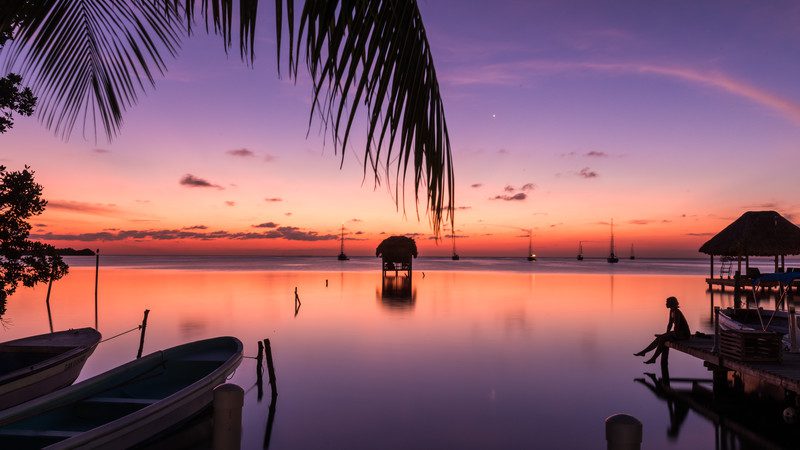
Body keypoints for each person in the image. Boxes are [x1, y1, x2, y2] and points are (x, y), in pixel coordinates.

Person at [634, 296, 690, 364]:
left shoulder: (677, 312)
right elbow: (670, 324)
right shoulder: (672, 311)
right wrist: (666, 334)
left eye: (667, 302)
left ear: (671, 303)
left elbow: (677, 326)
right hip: (678, 332)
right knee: (660, 338)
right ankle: (645, 352)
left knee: (662, 339)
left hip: (683, 334)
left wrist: (670, 336)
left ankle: (653, 358)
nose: (666, 304)